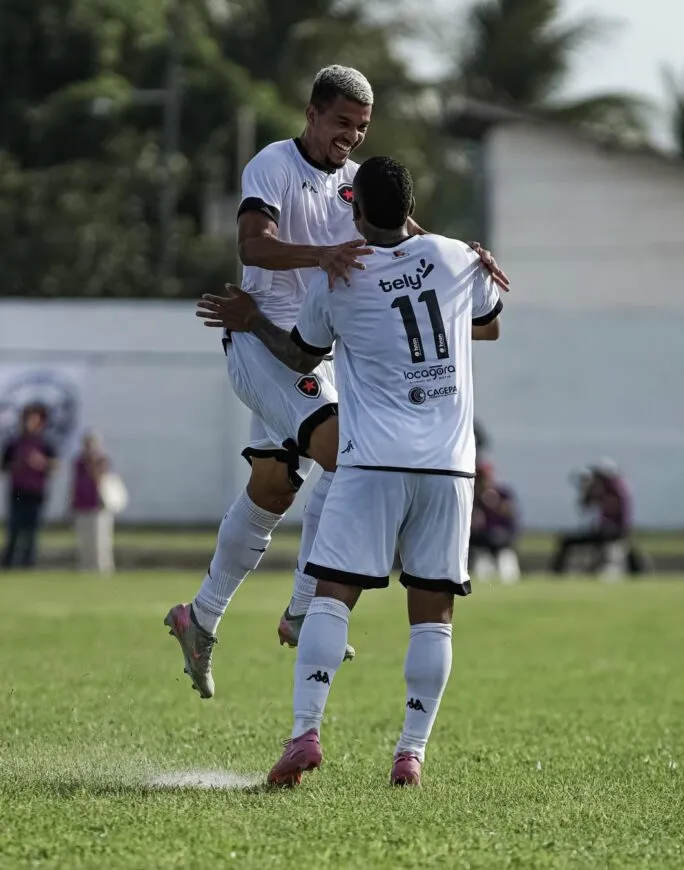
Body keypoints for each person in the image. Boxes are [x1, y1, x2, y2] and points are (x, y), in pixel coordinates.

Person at [165, 64, 508, 700]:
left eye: (361, 127)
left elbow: (415, 238)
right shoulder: (273, 165)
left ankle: (199, 617)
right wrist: (318, 255)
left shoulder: (356, 185)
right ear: (313, 115)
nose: (350, 137)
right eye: (342, 123)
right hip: (267, 344)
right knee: (350, 456)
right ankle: (301, 609)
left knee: (271, 490)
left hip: (316, 356)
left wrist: (467, 260)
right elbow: (252, 245)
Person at [214, 156, 504, 786]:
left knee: (330, 600)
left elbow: (299, 353)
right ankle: (410, 752)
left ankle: (305, 735)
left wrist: (251, 319)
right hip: (451, 469)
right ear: (411, 202)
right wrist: (471, 267)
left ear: (353, 208)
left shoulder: (339, 279)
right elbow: (491, 324)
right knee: (433, 613)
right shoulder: (457, 257)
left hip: (371, 462)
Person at [550, 459, 643, 575]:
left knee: (566, 542)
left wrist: (593, 492)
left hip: (612, 533)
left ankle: (557, 572)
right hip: (612, 532)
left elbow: (597, 504)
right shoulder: (618, 487)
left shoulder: (614, 489)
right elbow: (586, 505)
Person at [1, 404, 57, 569]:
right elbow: (4, 466)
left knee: (32, 530)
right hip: (18, 491)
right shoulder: (14, 443)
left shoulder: (45, 443)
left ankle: (28, 564)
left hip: (36, 492)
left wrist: (41, 463)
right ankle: (9, 563)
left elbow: (54, 465)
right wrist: (16, 465)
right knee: (14, 529)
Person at [71, 431, 115, 575]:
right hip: (82, 505)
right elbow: (75, 482)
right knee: (85, 541)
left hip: (98, 506)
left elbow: (99, 479)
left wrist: (92, 462)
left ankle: (103, 569)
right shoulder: (79, 461)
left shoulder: (101, 460)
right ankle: (86, 568)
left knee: (100, 542)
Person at [470, 461, 520, 582]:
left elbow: (512, 515)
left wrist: (496, 504)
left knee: (500, 544)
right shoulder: (472, 494)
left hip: (501, 534)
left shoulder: (502, 493)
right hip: (480, 536)